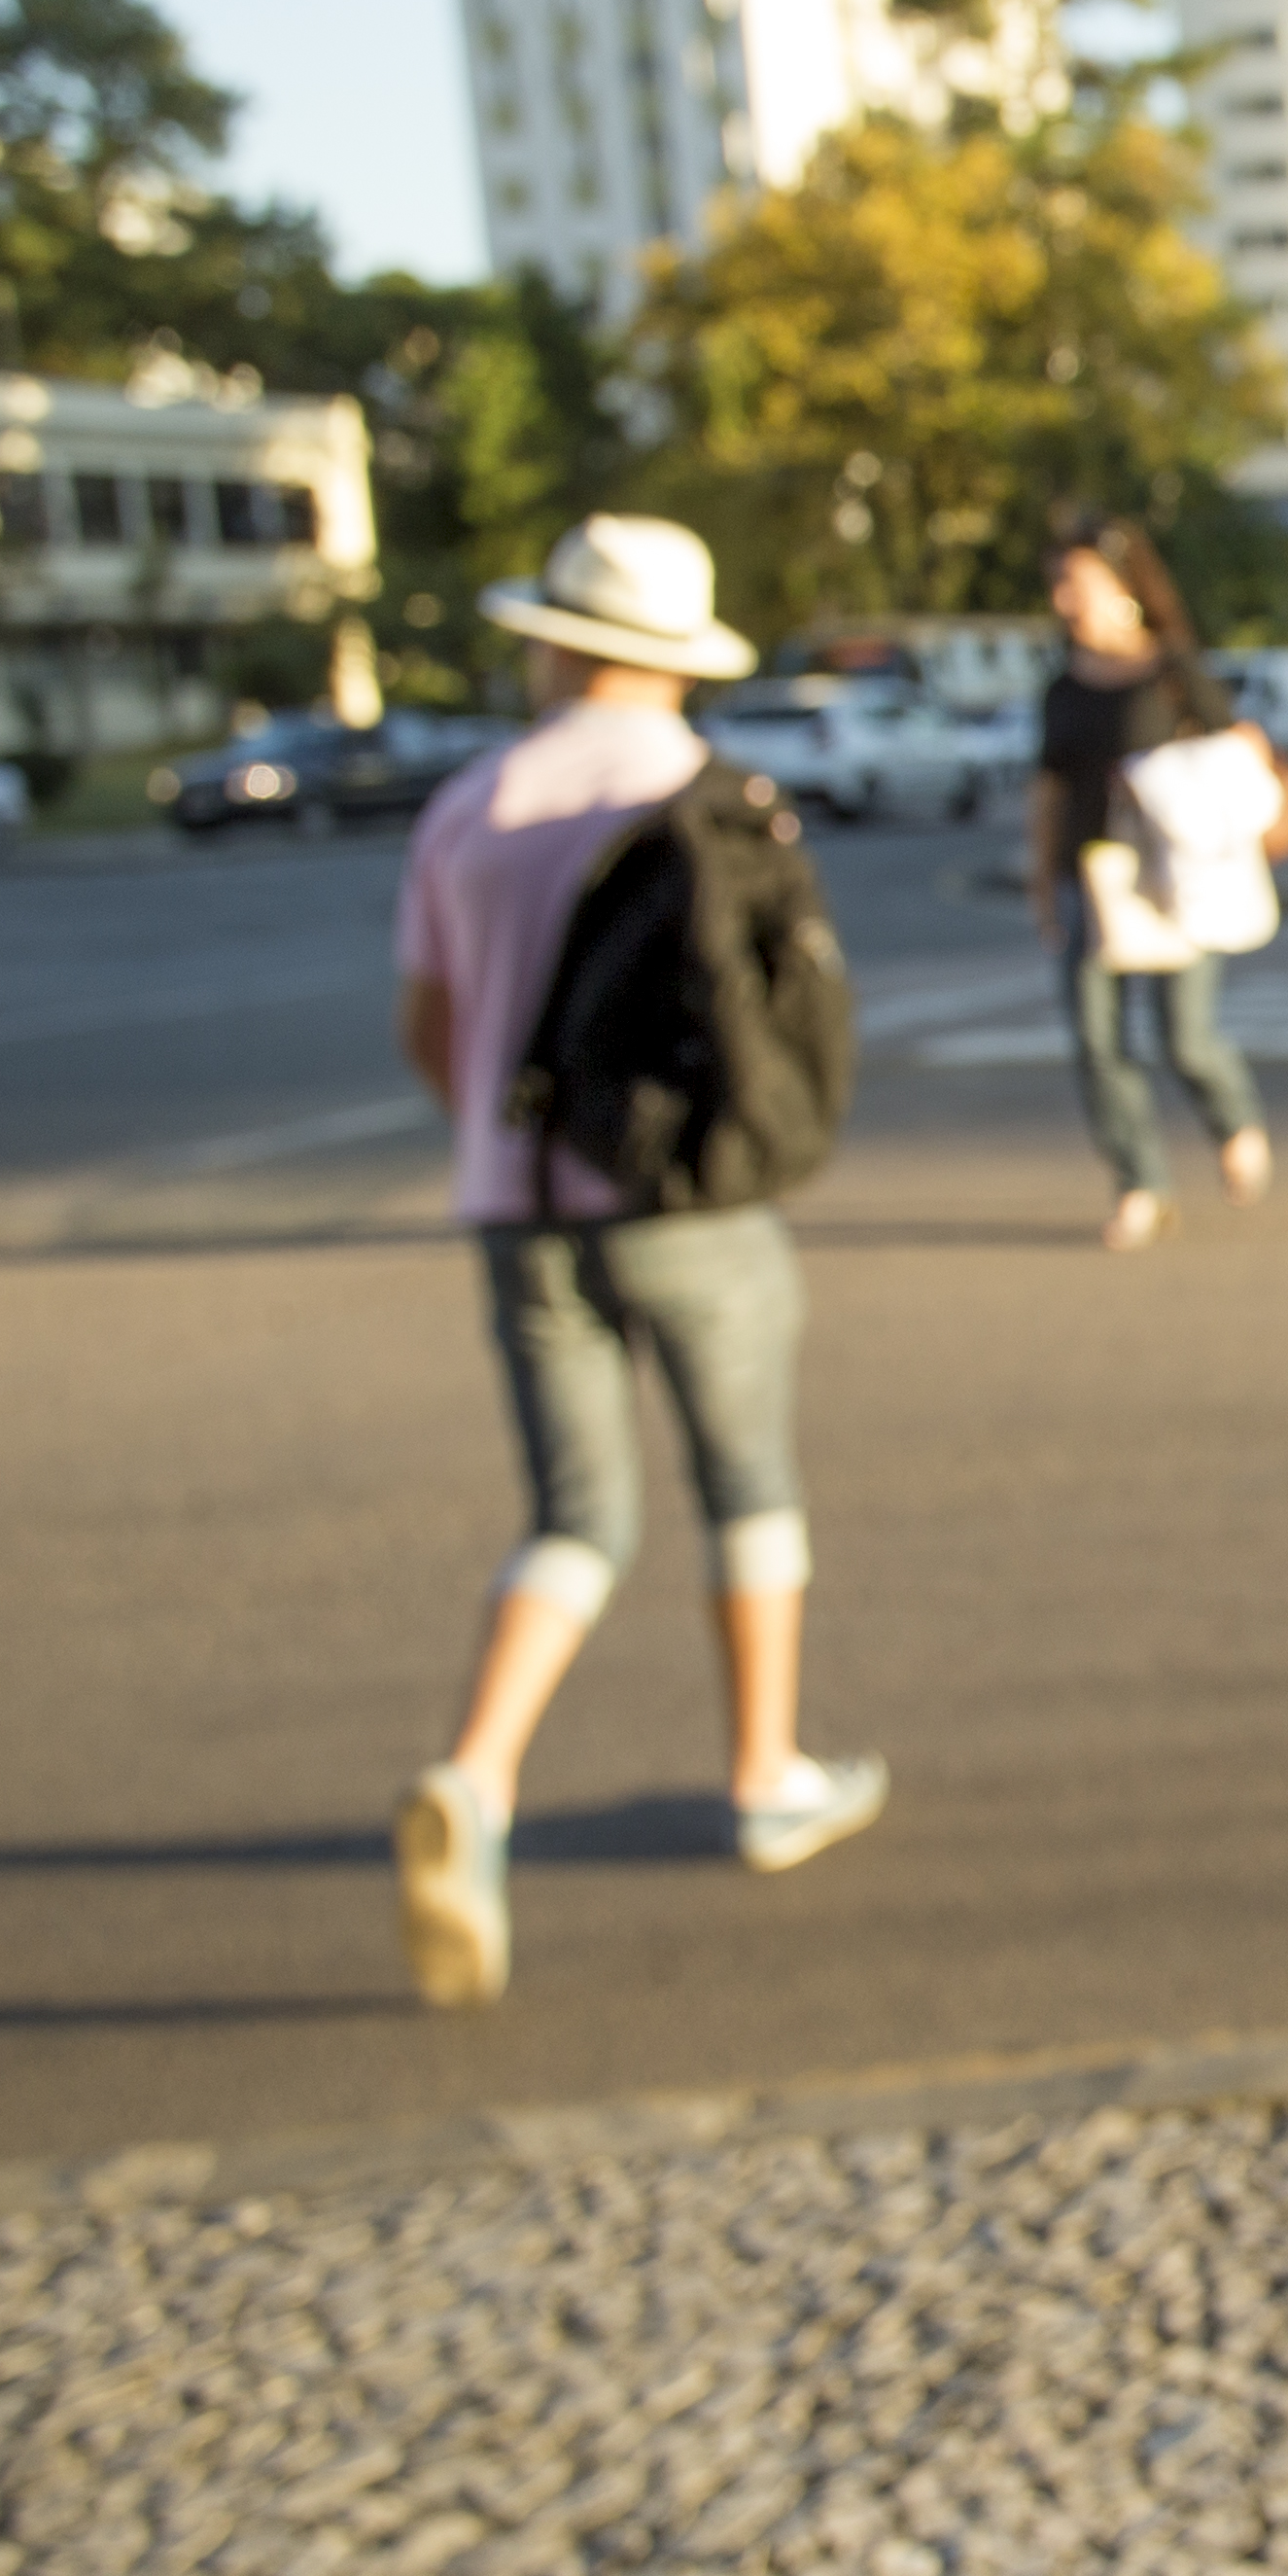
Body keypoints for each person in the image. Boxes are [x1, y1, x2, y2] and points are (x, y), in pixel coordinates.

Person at [390, 513, 887, 2010]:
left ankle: (476, 1778)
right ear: (674, 659)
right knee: (748, 1486)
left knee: (575, 1517)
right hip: (691, 1201)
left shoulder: (468, 807)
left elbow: (431, 1029)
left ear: (557, 642)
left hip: (514, 1202)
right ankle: (764, 1770)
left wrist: (499, 1132)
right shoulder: (717, 801)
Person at [1027, 517, 1288, 1251]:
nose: (1063, 598)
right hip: (1094, 875)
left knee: (1185, 1038)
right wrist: (1042, 883)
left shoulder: (1173, 669)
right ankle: (1140, 1183)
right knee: (1097, 1040)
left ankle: (1234, 1122)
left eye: (1075, 580)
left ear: (1121, 588)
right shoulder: (1061, 691)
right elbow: (1047, 791)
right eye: (1057, 583)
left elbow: (1243, 750)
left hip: (1178, 877)